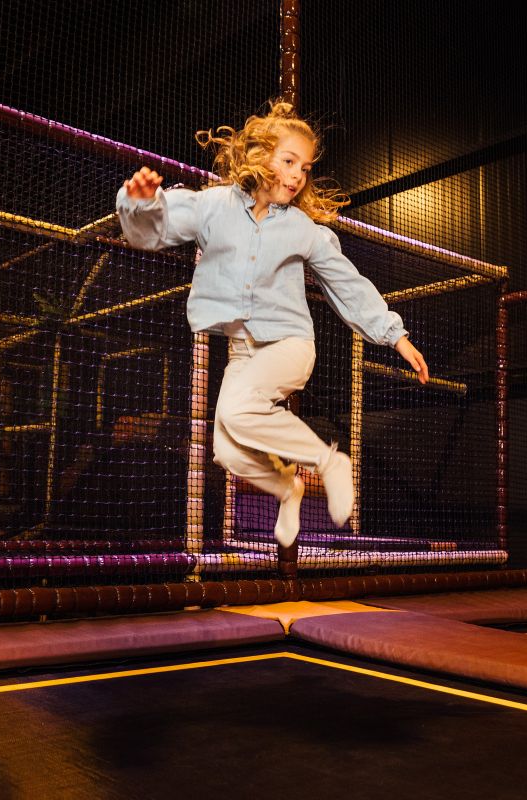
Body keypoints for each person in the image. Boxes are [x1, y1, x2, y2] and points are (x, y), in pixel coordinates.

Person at [116, 100, 428, 550]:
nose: (298, 174)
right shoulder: (213, 207)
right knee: (226, 447)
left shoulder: (303, 228)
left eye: (305, 167)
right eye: (289, 161)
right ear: (260, 157)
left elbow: (347, 282)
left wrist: (393, 334)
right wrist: (139, 203)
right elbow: (152, 232)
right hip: (243, 351)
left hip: (289, 344)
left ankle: (327, 461)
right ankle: (287, 488)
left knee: (240, 412)